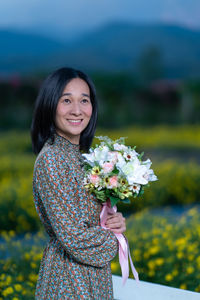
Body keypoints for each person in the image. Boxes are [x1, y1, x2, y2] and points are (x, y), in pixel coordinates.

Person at [31, 67, 126, 299]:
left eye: (84, 100)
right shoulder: (52, 159)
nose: (77, 110)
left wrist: (114, 222)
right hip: (69, 279)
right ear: (50, 105)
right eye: (66, 100)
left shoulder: (82, 156)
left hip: (92, 275)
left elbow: (89, 219)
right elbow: (73, 237)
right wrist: (114, 241)